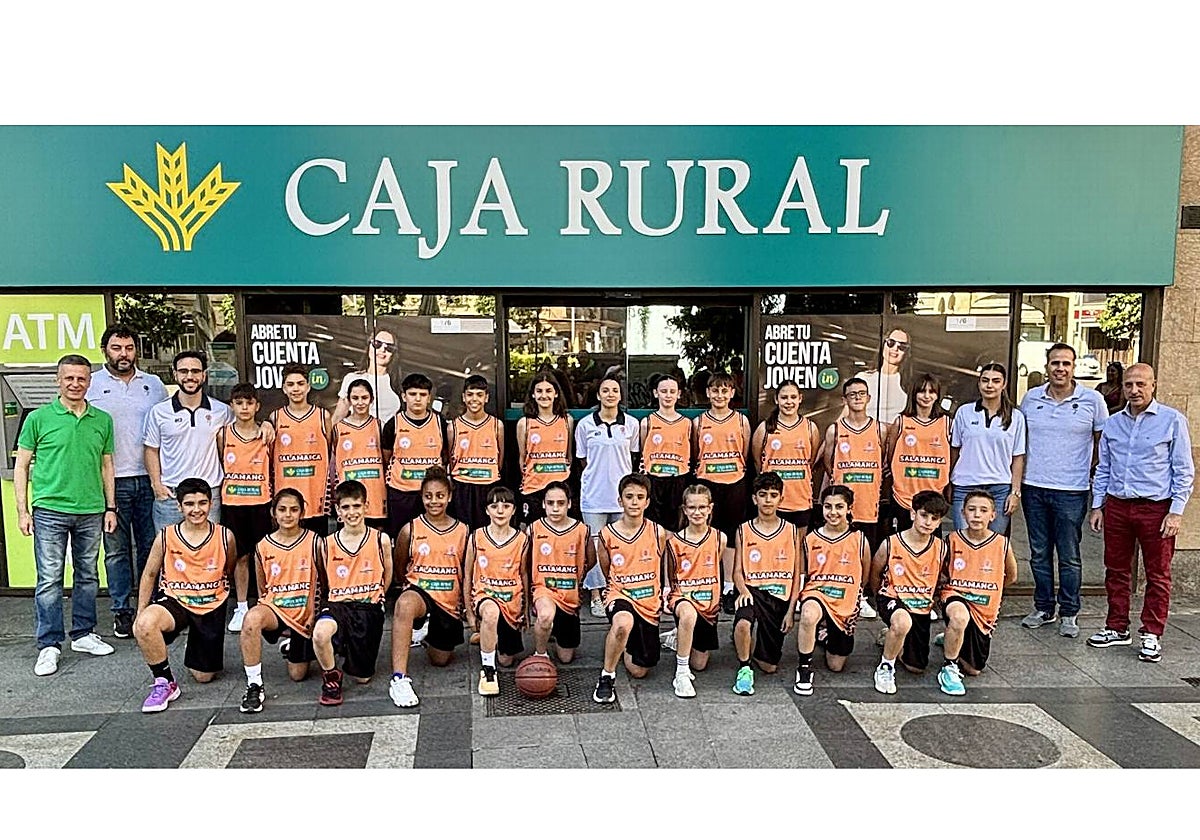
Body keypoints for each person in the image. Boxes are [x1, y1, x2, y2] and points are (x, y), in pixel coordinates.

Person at [14, 354, 118, 676]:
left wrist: (110, 507)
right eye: (69, 378)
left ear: (89, 381)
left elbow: (107, 466)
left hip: (91, 510)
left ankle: (84, 634)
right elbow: (21, 466)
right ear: (57, 380)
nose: (75, 384)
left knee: (87, 575)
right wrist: (23, 510)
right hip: (49, 510)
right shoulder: (38, 418)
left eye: (81, 378)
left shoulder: (102, 420)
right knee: (49, 579)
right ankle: (49, 645)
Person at [1087, 363, 1194, 663]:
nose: (1134, 390)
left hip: (1156, 508)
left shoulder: (1172, 421)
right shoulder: (1113, 423)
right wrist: (1097, 505)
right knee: (1116, 570)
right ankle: (1117, 627)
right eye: (1129, 385)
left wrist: (1176, 512)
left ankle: (1152, 633)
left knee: (1158, 574)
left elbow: (1183, 470)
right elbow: (1104, 467)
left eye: (1141, 384)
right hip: (1118, 506)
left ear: (1153, 385)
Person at [1018, 343, 1108, 638]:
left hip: (1071, 489)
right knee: (1039, 553)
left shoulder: (1092, 400)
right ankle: (1044, 608)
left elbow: (1103, 442)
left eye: (1066, 363)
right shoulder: (1031, 398)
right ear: (1047, 366)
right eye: (1055, 363)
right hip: (1034, 486)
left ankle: (1069, 612)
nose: (1060, 368)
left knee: (1069, 555)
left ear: (1073, 367)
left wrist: (1091, 470)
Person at [85, 324, 168, 639]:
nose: (124, 354)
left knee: (151, 546)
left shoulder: (154, 385)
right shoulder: (91, 384)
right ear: (105, 350)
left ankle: (152, 605)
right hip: (111, 482)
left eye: (129, 348)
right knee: (116, 551)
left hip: (149, 479)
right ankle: (121, 610)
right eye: (117, 348)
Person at [132, 479, 237, 712]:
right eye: (189, 504)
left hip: (211, 602)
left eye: (202, 503)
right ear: (179, 507)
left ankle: (196, 643)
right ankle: (165, 682)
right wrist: (140, 612)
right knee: (145, 625)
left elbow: (229, 568)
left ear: (211, 504)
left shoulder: (225, 536)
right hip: (176, 600)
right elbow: (149, 574)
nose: (196, 509)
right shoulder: (166, 536)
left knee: (203, 676)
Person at [388, 467, 471, 708]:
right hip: (420, 593)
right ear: (422, 497)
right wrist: (409, 587)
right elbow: (400, 566)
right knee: (404, 605)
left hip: (448, 602)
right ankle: (399, 679)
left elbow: (468, 572)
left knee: (440, 659)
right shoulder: (410, 529)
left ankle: (426, 631)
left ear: (450, 497)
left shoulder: (463, 531)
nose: (434, 501)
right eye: (428, 496)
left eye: (440, 495)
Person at [236, 488, 319, 713]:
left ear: (302, 512)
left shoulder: (315, 542)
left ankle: (292, 641)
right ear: (273, 512)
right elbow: (263, 587)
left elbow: (322, 582)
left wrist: (314, 613)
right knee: (251, 619)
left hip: (303, 614)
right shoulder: (263, 546)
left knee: (298, 674)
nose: (288, 515)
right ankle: (254, 684)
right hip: (276, 609)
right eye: (282, 509)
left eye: (294, 509)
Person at [312, 480, 393, 705]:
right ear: (337, 510)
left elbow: (387, 574)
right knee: (320, 634)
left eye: (356, 506)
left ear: (366, 506)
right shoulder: (326, 544)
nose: (352, 512)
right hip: (338, 605)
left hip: (368, 607)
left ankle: (346, 646)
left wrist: (378, 596)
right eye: (345, 507)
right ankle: (331, 677)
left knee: (362, 677)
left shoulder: (381, 540)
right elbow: (324, 578)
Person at [592, 474, 667, 704]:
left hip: (648, 601)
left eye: (640, 497)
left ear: (647, 502)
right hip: (620, 594)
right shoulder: (607, 534)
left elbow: (661, 563)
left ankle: (624, 642)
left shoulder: (657, 532)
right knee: (623, 622)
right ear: (620, 500)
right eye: (629, 496)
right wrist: (616, 590)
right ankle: (607, 676)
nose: (634, 502)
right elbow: (606, 569)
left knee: (639, 671)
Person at [936, 490, 1018, 696]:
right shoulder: (952, 540)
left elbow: (1011, 576)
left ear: (993, 515)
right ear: (963, 512)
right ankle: (949, 667)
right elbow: (941, 572)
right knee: (959, 617)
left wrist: (991, 588)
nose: (977, 515)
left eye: (983, 510)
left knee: (974, 670)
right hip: (956, 596)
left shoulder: (1002, 544)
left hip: (984, 606)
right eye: (971, 509)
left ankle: (951, 636)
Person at [869, 490, 949, 694]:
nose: (928, 522)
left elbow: (943, 577)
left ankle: (893, 636)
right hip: (892, 598)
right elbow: (875, 573)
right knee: (902, 622)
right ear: (913, 514)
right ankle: (886, 667)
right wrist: (880, 598)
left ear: (939, 522)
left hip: (921, 605)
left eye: (934, 518)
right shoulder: (891, 543)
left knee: (916, 667)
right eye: (924, 515)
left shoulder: (941, 548)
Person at [144, 350, 234, 532]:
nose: (190, 376)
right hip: (171, 495)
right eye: (184, 371)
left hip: (210, 493)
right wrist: (157, 485)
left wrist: (265, 425)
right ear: (175, 374)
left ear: (204, 375)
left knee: (208, 546)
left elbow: (241, 434)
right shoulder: (159, 412)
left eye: (195, 371)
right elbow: (151, 450)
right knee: (168, 546)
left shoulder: (222, 411)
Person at [794, 485, 869, 696]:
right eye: (828, 506)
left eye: (839, 507)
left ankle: (824, 633)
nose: (833, 512)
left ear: (849, 508)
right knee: (808, 615)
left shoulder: (859, 539)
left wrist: (854, 596)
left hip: (844, 601)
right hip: (817, 593)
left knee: (836, 665)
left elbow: (865, 574)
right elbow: (803, 573)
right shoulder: (811, 539)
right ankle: (804, 667)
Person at [730, 472, 801, 697]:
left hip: (779, 597)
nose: (768, 500)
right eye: (762, 495)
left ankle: (750, 644)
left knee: (769, 666)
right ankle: (744, 668)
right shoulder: (744, 529)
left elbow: (796, 574)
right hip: (752, 590)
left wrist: (791, 611)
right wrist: (742, 590)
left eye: (773, 495)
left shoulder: (791, 531)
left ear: (781, 498)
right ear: (754, 499)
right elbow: (737, 571)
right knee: (744, 622)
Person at [577, 375, 641, 616]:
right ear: (598, 395)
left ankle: (618, 592)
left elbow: (633, 456)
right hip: (594, 496)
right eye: (605, 390)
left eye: (615, 390)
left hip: (622, 497)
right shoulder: (585, 425)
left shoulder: (632, 424)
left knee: (621, 545)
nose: (610, 394)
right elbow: (582, 460)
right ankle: (596, 594)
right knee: (594, 546)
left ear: (620, 395)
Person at [823, 378, 883, 619]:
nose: (857, 398)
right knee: (840, 552)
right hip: (841, 508)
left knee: (864, 553)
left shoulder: (880, 429)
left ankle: (861, 595)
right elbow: (828, 462)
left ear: (868, 398)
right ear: (844, 399)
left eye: (861, 393)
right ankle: (837, 594)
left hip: (868, 504)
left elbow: (886, 461)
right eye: (852, 394)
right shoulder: (835, 429)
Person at [694, 372, 751, 614]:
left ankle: (728, 587)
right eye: (715, 390)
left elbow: (745, 453)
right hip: (707, 484)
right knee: (704, 535)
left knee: (730, 537)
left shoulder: (741, 421)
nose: (720, 395)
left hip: (734, 483)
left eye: (725, 390)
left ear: (732, 393)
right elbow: (694, 454)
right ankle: (704, 585)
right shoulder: (698, 423)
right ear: (708, 393)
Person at [219, 383, 274, 632]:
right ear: (232, 405)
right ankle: (241, 606)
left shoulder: (266, 434)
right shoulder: (224, 435)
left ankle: (264, 603)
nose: (244, 408)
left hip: (260, 503)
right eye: (239, 403)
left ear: (257, 406)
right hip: (234, 503)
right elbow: (221, 461)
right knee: (240, 557)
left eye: (249, 403)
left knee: (262, 555)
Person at [465, 487, 531, 696]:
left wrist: (526, 609)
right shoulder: (476, 537)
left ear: (514, 510)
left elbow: (524, 574)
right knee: (491, 613)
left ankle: (487, 635)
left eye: (506, 506)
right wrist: (469, 612)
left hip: (511, 601)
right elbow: (467, 575)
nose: (500, 511)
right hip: (485, 596)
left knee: (507, 660)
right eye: (494, 506)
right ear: (487, 510)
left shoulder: (522, 540)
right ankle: (488, 670)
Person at [948, 363, 1026, 535]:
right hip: (965, 485)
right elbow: (954, 450)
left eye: (996, 381)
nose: (990, 385)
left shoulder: (1016, 417)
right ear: (979, 383)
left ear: (1004, 384)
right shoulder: (964, 412)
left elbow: (1018, 457)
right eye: (985, 380)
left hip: (999, 489)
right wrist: (948, 481)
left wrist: (1015, 492)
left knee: (993, 544)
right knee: (964, 542)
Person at [664, 484, 726, 698]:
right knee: (688, 614)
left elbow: (715, 566)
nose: (697, 512)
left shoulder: (720, 538)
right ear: (684, 509)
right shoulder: (674, 542)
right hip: (683, 597)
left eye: (702, 507)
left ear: (710, 508)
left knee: (700, 664)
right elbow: (672, 574)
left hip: (708, 603)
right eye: (692, 507)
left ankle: (679, 635)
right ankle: (681, 673)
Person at [529, 482, 595, 663]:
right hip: (544, 589)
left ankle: (553, 630)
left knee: (566, 658)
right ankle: (540, 655)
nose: (555, 508)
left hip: (569, 595)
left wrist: (577, 576)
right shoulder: (534, 529)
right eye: (550, 503)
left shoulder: (582, 531)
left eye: (561, 503)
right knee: (545, 616)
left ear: (569, 504)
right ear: (543, 504)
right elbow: (526, 562)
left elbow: (592, 560)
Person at [382, 372, 448, 539]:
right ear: (404, 396)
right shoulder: (393, 424)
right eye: (412, 394)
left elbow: (446, 455)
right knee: (401, 539)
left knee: (431, 539)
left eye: (422, 394)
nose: (417, 399)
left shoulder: (440, 423)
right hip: (401, 491)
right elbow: (387, 457)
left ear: (429, 397)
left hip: (432, 494)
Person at [270, 363, 332, 537]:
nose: (296, 389)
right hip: (286, 503)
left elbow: (328, 447)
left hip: (315, 498)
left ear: (308, 386)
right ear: (284, 389)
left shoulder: (323, 416)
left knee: (317, 548)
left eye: (300, 383)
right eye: (290, 384)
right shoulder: (275, 418)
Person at [884, 374, 951, 534]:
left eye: (931, 392)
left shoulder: (946, 423)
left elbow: (953, 455)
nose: (926, 396)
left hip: (934, 493)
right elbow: (891, 455)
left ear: (937, 395)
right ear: (914, 394)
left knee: (931, 542)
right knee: (903, 540)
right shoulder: (901, 421)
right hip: (904, 495)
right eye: (922, 391)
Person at [752, 380, 822, 529]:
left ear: (800, 399)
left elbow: (811, 461)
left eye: (793, 397)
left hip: (800, 498)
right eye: (784, 397)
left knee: (798, 543)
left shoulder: (810, 428)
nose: (789, 402)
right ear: (776, 399)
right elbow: (757, 462)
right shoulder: (764, 428)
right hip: (772, 500)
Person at [516, 371, 574, 527]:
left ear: (556, 393)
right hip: (533, 487)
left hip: (559, 486)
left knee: (559, 532)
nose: (544, 395)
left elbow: (568, 455)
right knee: (532, 533)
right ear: (533, 394)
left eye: (548, 391)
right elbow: (522, 458)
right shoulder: (524, 423)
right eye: (539, 391)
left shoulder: (567, 421)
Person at [330, 378, 388, 531]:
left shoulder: (380, 426)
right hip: (348, 497)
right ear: (349, 401)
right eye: (355, 398)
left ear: (372, 399)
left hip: (375, 496)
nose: (360, 402)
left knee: (376, 539)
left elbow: (387, 460)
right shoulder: (337, 428)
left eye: (364, 398)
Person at [448, 374, 504, 530]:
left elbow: (500, 459)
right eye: (470, 394)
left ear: (486, 398)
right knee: (463, 531)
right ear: (463, 397)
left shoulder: (497, 426)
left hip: (488, 485)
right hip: (462, 487)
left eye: (479, 395)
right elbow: (451, 460)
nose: (474, 399)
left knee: (486, 531)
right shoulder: (453, 427)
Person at [640, 372, 693, 528]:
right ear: (656, 393)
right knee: (653, 526)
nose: (668, 395)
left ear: (679, 394)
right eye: (663, 391)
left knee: (676, 526)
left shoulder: (687, 423)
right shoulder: (647, 422)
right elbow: (643, 450)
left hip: (678, 479)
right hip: (654, 479)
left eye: (672, 391)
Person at [331, 329, 402, 426]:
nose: (382, 350)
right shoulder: (352, 378)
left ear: (393, 354)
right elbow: (338, 416)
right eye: (377, 344)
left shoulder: (397, 383)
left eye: (389, 347)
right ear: (369, 346)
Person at [862, 328, 911, 426]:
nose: (895, 349)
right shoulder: (863, 378)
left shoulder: (908, 387)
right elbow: (847, 412)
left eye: (902, 347)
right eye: (891, 343)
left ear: (906, 353)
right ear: (883, 344)